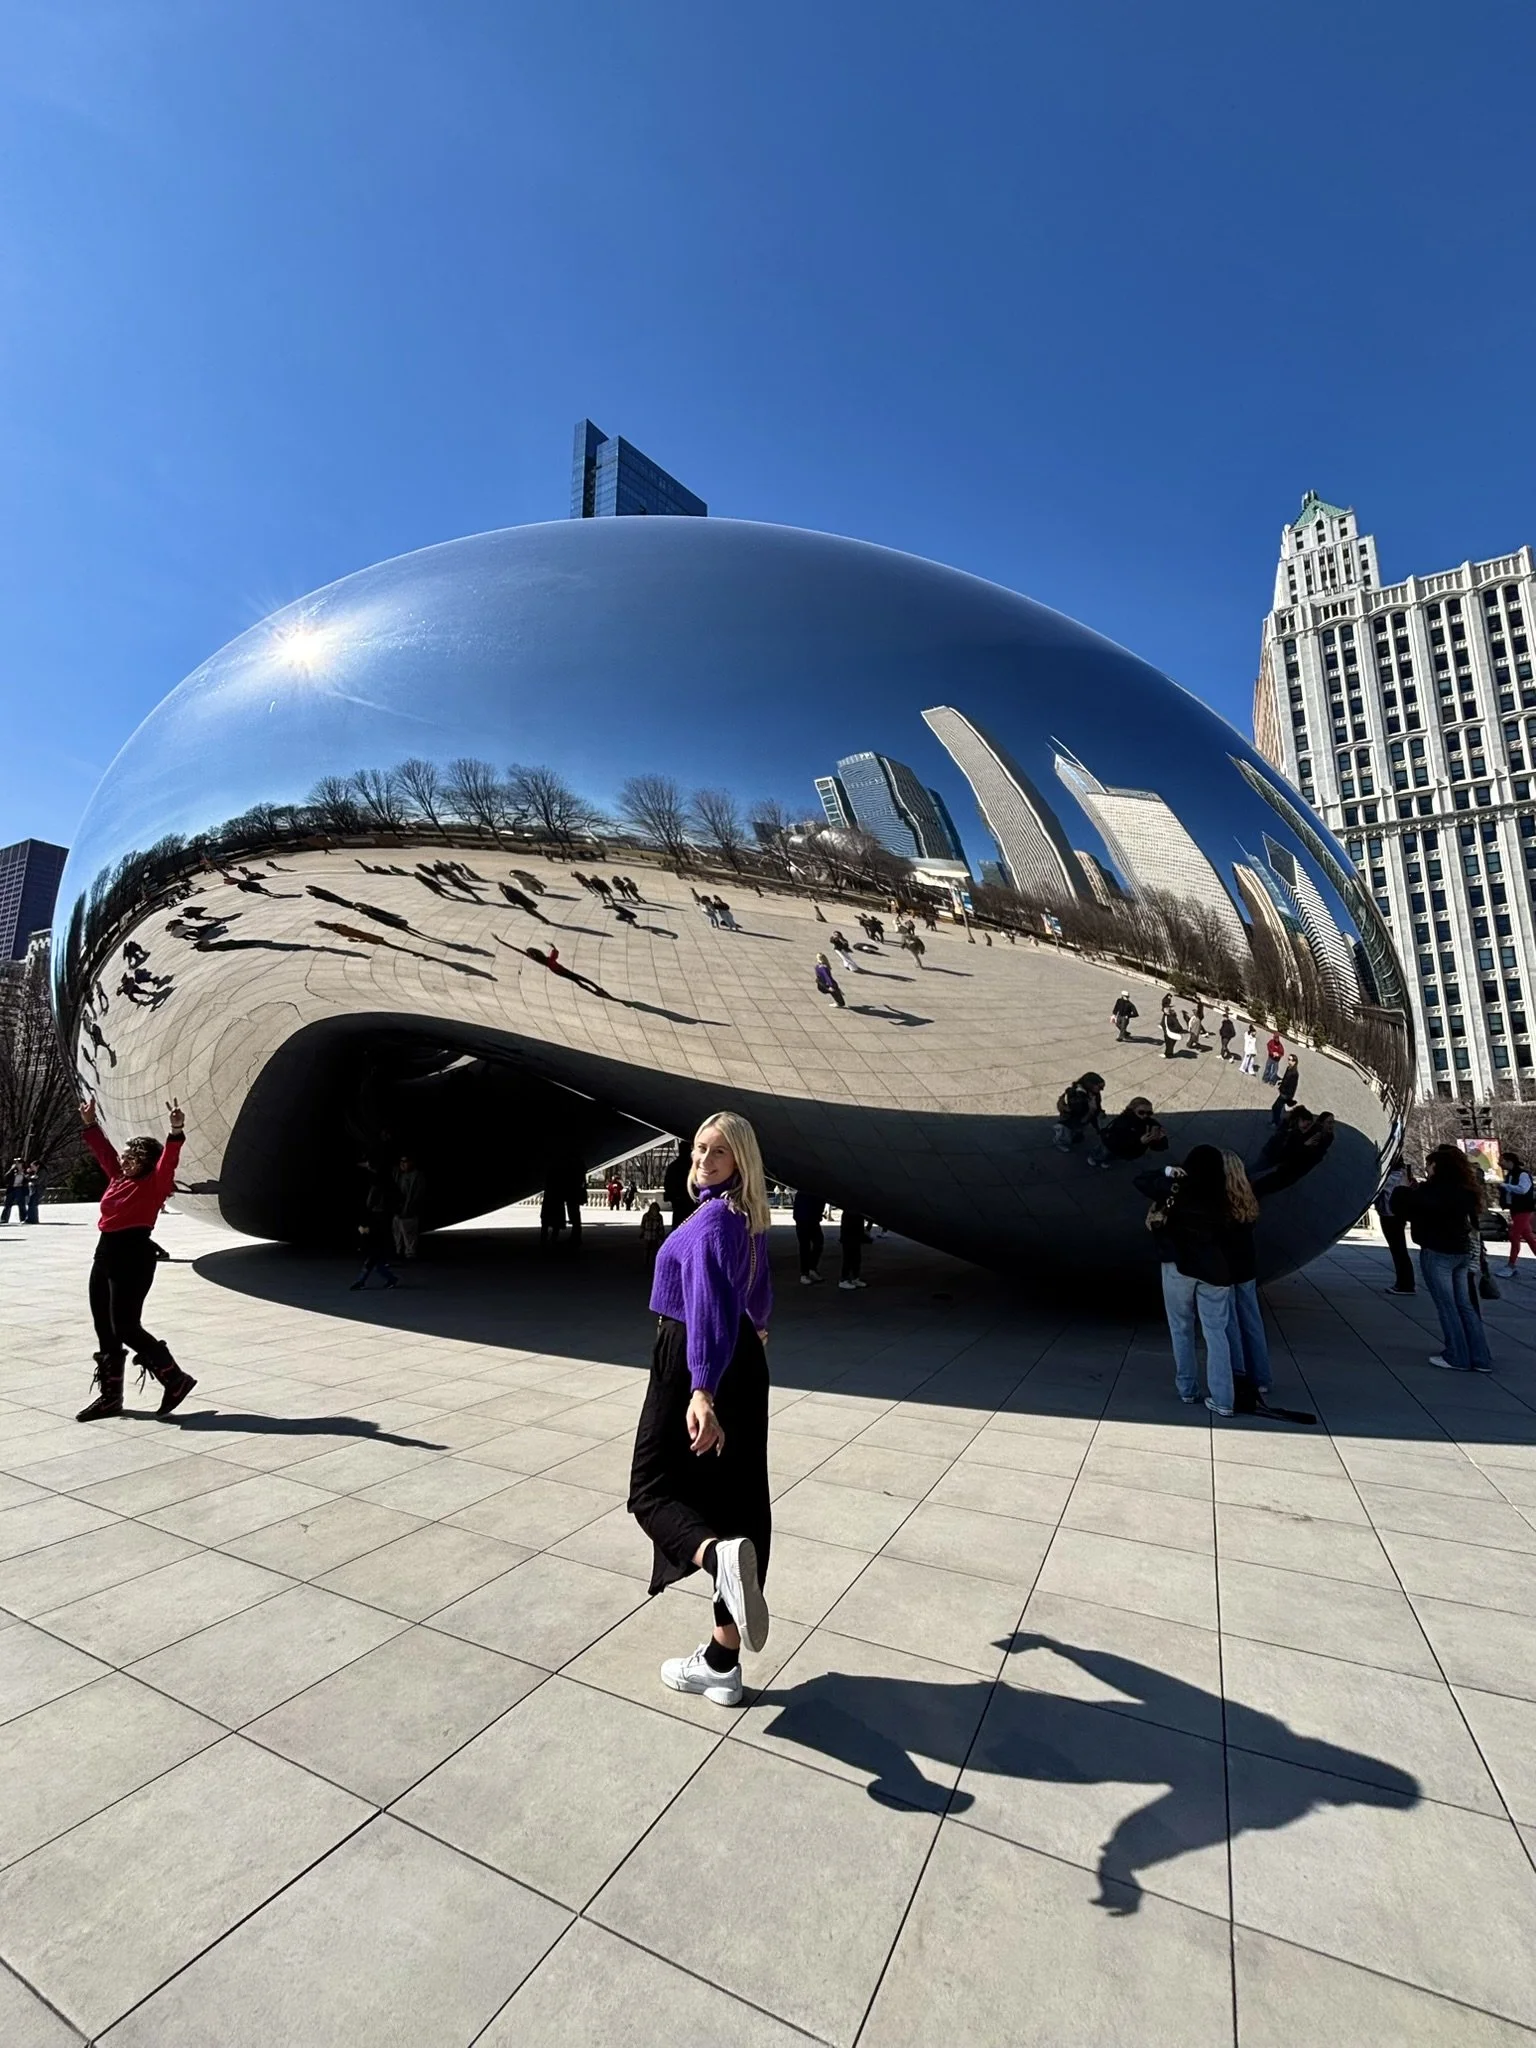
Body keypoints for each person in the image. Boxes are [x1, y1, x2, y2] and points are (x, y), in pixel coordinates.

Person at [627, 1112, 773, 1708]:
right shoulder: (746, 1216)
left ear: (740, 1158)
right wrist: (754, 1333)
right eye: (698, 1150)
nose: (703, 1161)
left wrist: (702, 1390)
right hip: (740, 1357)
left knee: (649, 1491)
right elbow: (755, 1294)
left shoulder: (713, 1219)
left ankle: (715, 1557)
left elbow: (709, 1303)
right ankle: (722, 1661)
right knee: (738, 1503)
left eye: (717, 1152)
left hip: (693, 1354)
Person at [76, 1095, 197, 1421]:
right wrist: (90, 1124)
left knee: (127, 1326)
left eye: (134, 1157)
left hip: (134, 1256)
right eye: (127, 1155)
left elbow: (168, 1161)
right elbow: (104, 1153)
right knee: (106, 1328)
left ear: (147, 1161)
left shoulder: (154, 1183)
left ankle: (175, 1378)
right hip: (105, 1255)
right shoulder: (119, 1178)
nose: (127, 1160)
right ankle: (110, 1399)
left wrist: (175, 1131)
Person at [1135, 1144, 1241, 1415]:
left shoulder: (1178, 1187)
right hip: (1216, 1271)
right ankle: (1224, 1398)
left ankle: (1188, 1388)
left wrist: (1167, 1170)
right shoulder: (1225, 1194)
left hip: (1179, 1264)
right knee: (1216, 1333)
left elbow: (1141, 1180)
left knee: (1180, 1327)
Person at [1395, 1146, 1492, 1373]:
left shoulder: (1435, 1191)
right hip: (1461, 1251)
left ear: (1438, 1167)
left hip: (1438, 1252)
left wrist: (1402, 1189)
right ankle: (1480, 1357)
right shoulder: (1466, 1189)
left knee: (1447, 1306)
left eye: (1429, 1165)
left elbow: (1409, 1208)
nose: (1427, 1169)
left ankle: (1457, 1355)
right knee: (1465, 1306)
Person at [1220, 1151, 1271, 1404]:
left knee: (1229, 1321)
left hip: (1226, 1268)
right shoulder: (1248, 1194)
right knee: (1252, 1320)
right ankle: (1261, 1378)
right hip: (1246, 1267)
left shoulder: (1220, 1199)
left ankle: (1237, 1373)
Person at [351, 1160, 400, 1290]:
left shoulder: (377, 1189)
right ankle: (387, 1279)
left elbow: (370, 1207)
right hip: (379, 1225)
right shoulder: (387, 1187)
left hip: (376, 1225)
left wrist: (367, 1226)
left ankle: (364, 1281)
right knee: (375, 1259)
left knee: (373, 1258)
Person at [1376, 1156, 1417, 1295]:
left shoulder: (1390, 1177)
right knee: (1400, 1249)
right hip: (1398, 1215)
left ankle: (1405, 1284)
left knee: (1398, 1250)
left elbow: (1381, 1193)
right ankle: (1405, 1282)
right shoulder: (1403, 1175)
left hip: (1389, 1215)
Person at [1096, 1098, 1168, 1166]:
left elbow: (1158, 1147)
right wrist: (1139, 1142)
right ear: (1133, 1110)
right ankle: (1095, 1158)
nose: (1145, 1115)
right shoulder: (1122, 1122)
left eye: (1149, 1113)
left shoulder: (1149, 1122)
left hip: (1129, 1153)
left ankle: (1106, 1160)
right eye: (1141, 1112)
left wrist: (1161, 1138)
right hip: (1113, 1148)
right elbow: (1118, 1142)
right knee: (1103, 1153)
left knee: (1114, 1157)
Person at [1498, 1153, 1536, 1277]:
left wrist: (1506, 1186)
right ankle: (1511, 1266)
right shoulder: (1510, 1175)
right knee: (1528, 1237)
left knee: (1514, 1236)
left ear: (1510, 1161)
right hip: (1515, 1209)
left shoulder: (1522, 1174)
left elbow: (1523, 1189)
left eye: (1502, 1161)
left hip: (1523, 1209)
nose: (1500, 1163)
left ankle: (1511, 1265)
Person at [1053, 1073, 1104, 1154]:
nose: (1102, 1090)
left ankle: (1072, 1133)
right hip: (1070, 1119)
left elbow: (1096, 1108)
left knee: (1077, 1132)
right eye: (1100, 1087)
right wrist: (1091, 1110)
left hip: (1082, 1118)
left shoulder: (1094, 1094)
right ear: (1090, 1085)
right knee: (1067, 1134)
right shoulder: (1075, 1094)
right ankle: (1059, 1140)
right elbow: (1076, 1115)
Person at [792, 1186, 826, 1284]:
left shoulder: (807, 1191)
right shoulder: (810, 1191)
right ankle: (805, 1273)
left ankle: (810, 1269)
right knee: (806, 1246)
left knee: (816, 1244)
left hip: (811, 1219)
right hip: (805, 1220)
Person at [393, 1156, 424, 1261]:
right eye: (401, 1162)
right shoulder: (399, 1175)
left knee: (409, 1233)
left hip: (409, 1210)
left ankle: (410, 1253)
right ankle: (399, 1251)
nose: (402, 1164)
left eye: (405, 1162)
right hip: (398, 1209)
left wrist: (409, 1207)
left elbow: (417, 1194)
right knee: (398, 1232)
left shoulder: (417, 1176)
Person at [663, 1138, 697, 1231]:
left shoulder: (673, 1166)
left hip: (679, 1200)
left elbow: (667, 1184)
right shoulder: (693, 1165)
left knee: (678, 1225)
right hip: (691, 1200)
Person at [838, 1206, 867, 1289]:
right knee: (848, 1257)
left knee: (856, 1257)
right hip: (849, 1233)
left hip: (855, 1232)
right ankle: (844, 1279)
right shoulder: (850, 1210)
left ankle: (855, 1277)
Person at [1272, 1055, 1300, 1122]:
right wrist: (1281, 1084)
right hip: (1282, 1091)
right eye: (1288, 1059)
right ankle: (1277, 1121)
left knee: (1275, 1107)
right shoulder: (1288, 1068)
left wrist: (1289, 1096)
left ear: (1295, 1062)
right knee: (1279, 1108)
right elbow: (1285, 1079)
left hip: (1285, 1094)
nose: (1289, 1061)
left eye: (1291, 1060)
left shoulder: (1295, 1073)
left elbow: (1293, 1086)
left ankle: (1276, 1122)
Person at [1, 1157, 25, 1225]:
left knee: (21, 1205)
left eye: (17, 1163)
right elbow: (6, 1177)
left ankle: (23, 1218)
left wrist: (23, 1174)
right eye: (15, 1163)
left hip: (20, 1189)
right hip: (12, 1188)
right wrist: (11, 1169)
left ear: (21, 1163)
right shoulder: (13, 1170)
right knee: (7, 1205)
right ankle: (4, 1218)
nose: (16, 1164)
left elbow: (27, 1179)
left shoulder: (25, 1170)